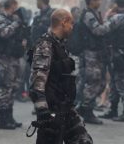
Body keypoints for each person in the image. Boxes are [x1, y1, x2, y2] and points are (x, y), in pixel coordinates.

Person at [29, 9, 93, 144]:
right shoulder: (45, 45)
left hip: (65, 106)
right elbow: (37, 82)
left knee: (83, 140)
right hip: (51, 110)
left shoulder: (60, 44)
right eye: (71, 23)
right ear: (63, 22)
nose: (72, 27)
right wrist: (43, 112)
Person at [0, 0, 27, 129]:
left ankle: (10, 117)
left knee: (13, 88)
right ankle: (3, 120)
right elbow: (4, 34)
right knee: (6, 89)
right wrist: (16, 24)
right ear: (11, 6)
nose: (17, 10)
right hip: (4, 59)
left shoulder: (12, 19)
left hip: (14, 57)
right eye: (15, 7)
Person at [77, 0, 113, 125]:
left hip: (98, 54)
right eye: (98, 0)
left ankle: (83, 107)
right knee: (93, 82)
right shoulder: (88, 15)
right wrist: (110, 22)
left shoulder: (94, 14)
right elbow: (98, 30)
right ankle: (87, 110)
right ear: (91, 1)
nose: (100, 2)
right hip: (90, 55)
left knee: (101, 83)